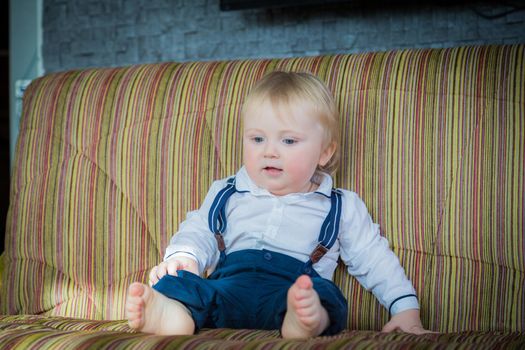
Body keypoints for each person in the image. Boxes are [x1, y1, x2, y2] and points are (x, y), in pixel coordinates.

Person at [125, 71, 428, 338]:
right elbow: (199, 230)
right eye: (257, 139)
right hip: (226, 290)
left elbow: (373, 257)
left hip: (290, 291)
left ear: (324, 152)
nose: (270, 151)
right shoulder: (226, 192)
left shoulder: (341, 206)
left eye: (288, 141)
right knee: (180, 284)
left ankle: (303, 321)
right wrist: (184, 256)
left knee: (323, 295)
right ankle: (170, 315)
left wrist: (404, 307)